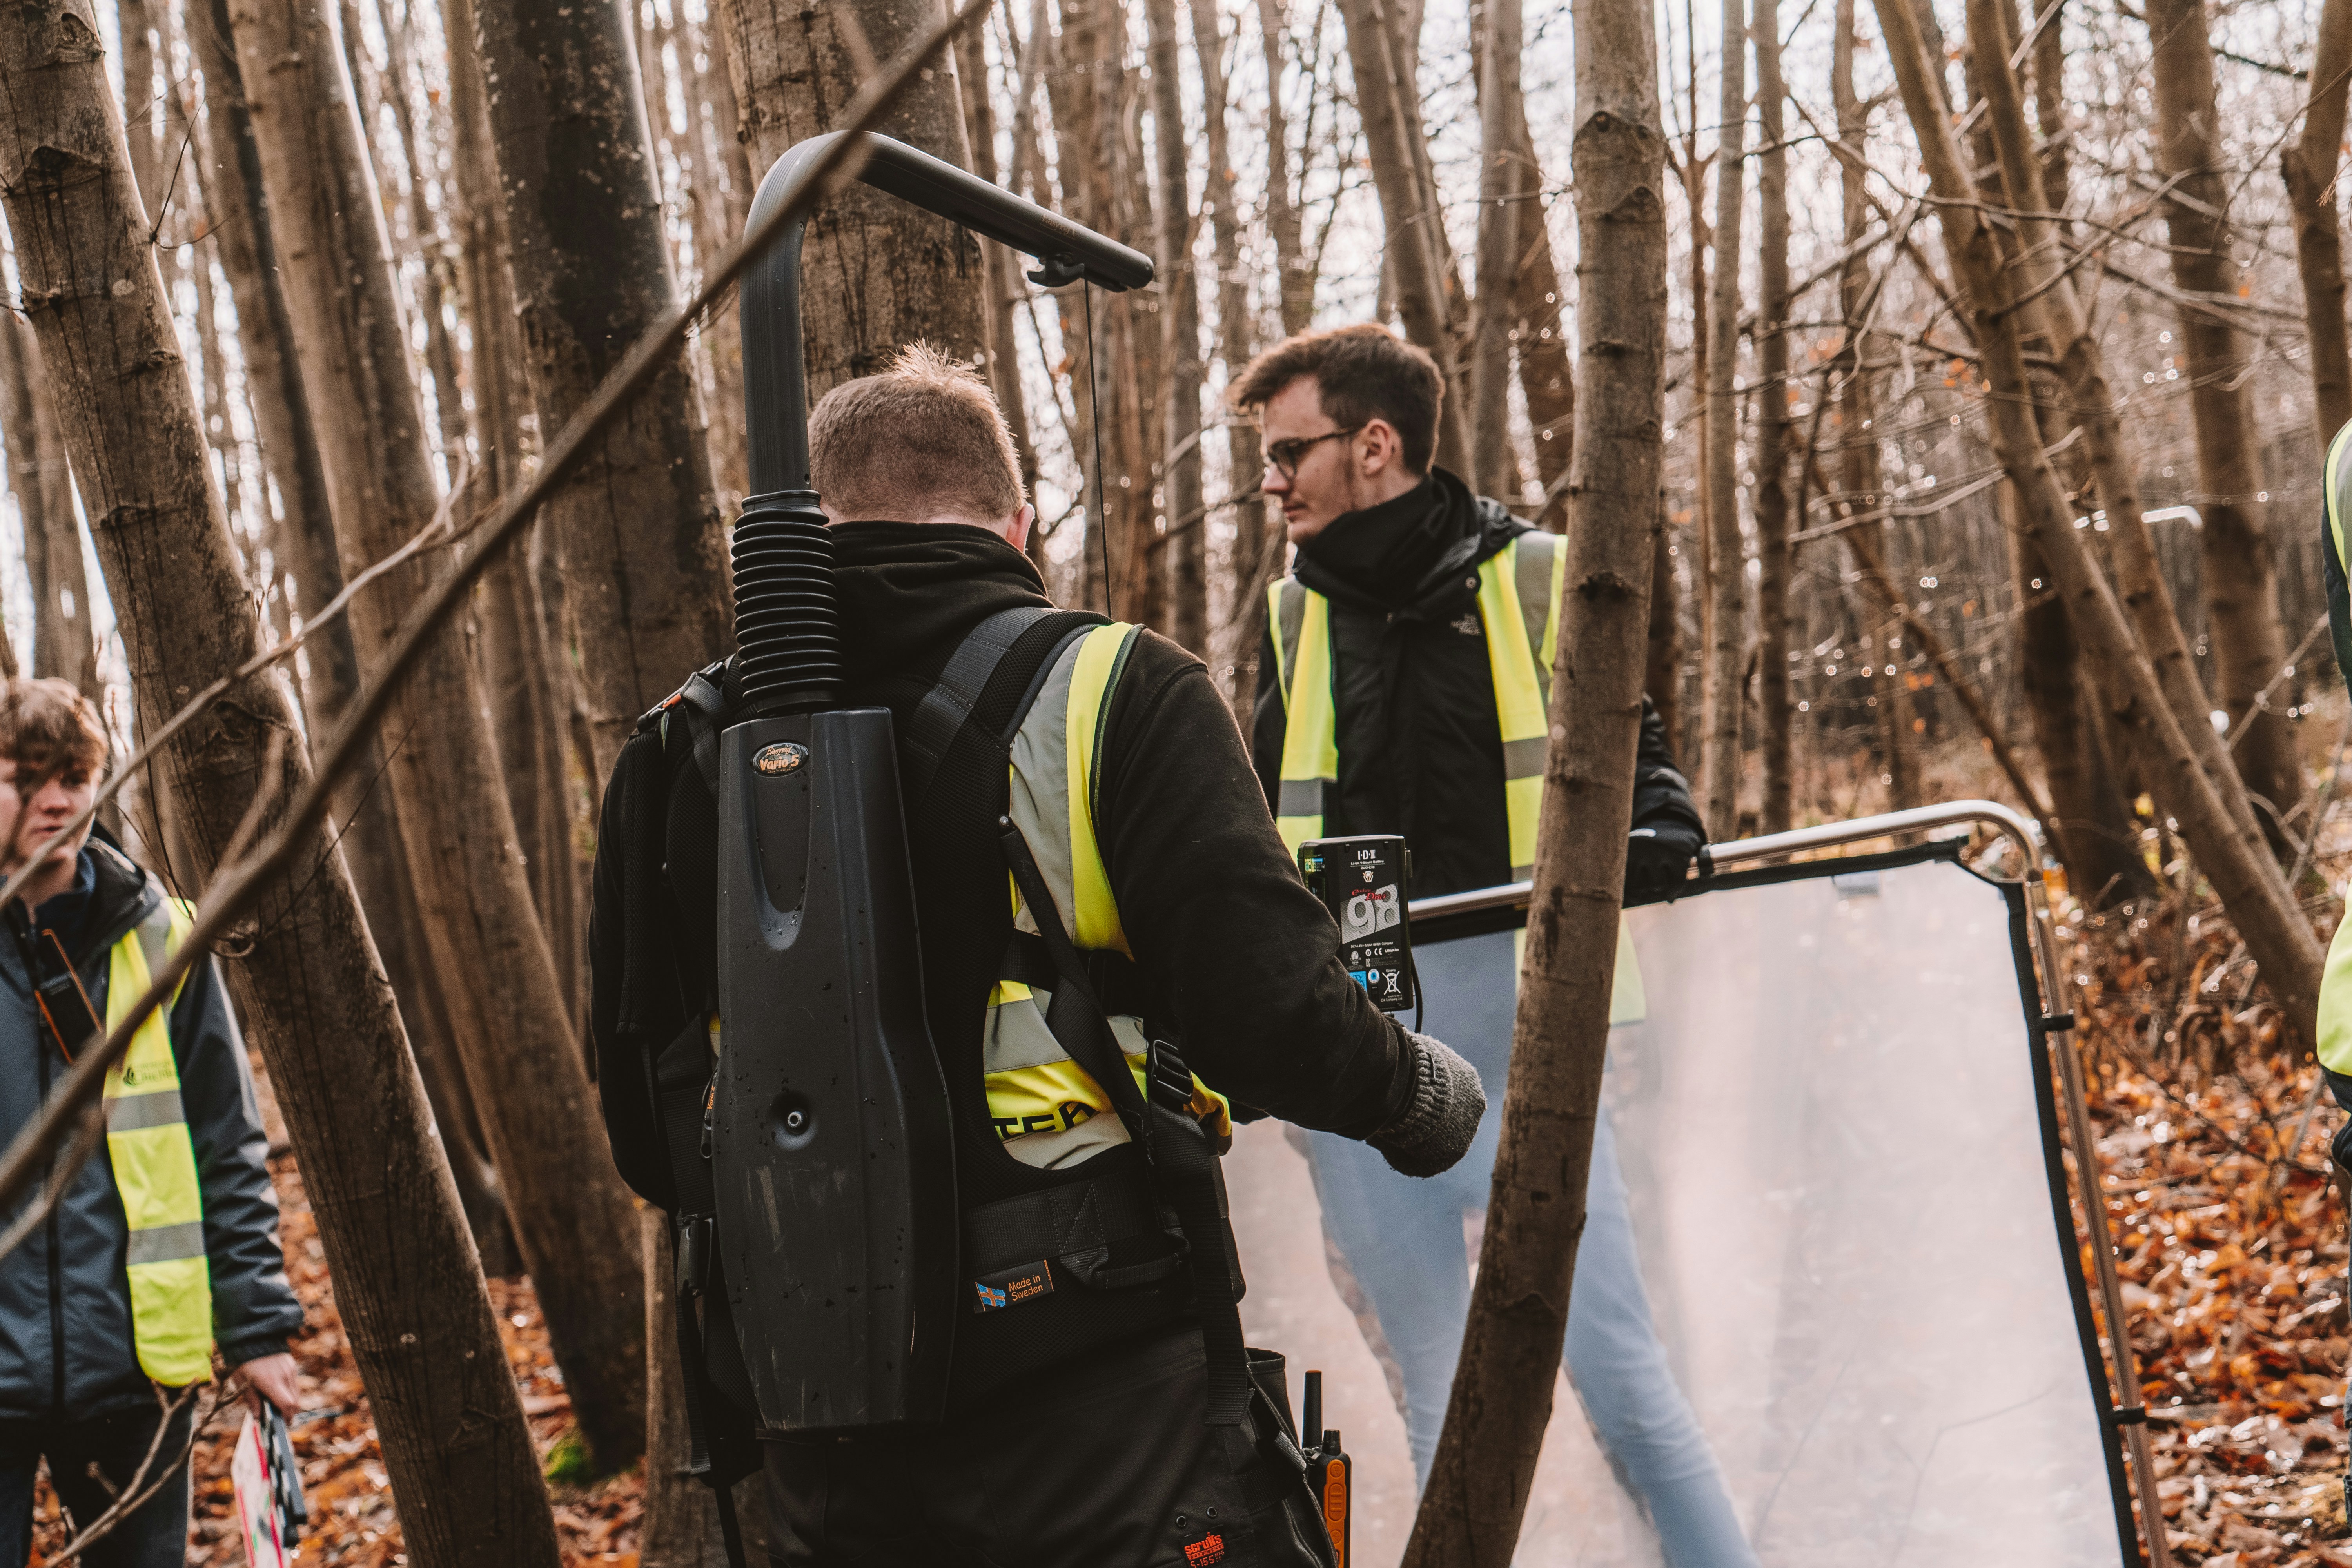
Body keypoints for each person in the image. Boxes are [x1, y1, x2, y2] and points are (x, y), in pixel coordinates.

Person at [590, 345, 1486, 1567]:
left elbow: (648, 1132)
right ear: (1018, 526)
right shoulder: (1115, 686)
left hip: (818, 1416)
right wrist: (1416, 1095)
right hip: (1103, 1394)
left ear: (818, 527)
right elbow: (1274, 1019)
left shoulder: (672, 752)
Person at [1236, 324, 1756, 1567]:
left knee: (1623, 1381)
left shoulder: (1538, 576)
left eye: (1289, 452)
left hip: (1539, 1049)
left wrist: (1660, 826)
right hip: (1369, 1052)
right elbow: (1264, 827)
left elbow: (1643, 766)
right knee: (1436, 1395)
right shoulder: (1293, 615)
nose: (1271, 481)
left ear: (1375, 445)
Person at [0, 678, 303, 1566]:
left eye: (75, 777)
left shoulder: (163, 938)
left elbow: (226, 1141)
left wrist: (256, 1330)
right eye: (27, 776)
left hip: (135, 1374)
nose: (58, 800)